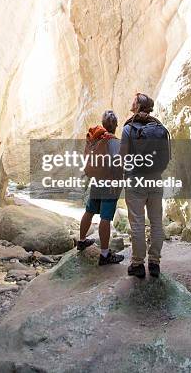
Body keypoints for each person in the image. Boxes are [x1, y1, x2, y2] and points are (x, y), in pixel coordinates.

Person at [120, 93, 170, 279]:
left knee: (138, 223)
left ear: (138, 106)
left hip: (136, 180)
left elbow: (123, 157)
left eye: (134, 101)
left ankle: (138, 264)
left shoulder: (129, 129)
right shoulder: (158, 127)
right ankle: (155, 263)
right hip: (156, 179)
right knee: (157, 221)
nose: (131, 103)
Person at [77, 110, 124, 265]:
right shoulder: (114, 142)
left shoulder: (96, 139)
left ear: (103, 124)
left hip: (96, 181)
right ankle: (104, 255)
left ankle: (81, 240)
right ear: (116, 125)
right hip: (109, 184)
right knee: (105, 218)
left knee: (89, 211)